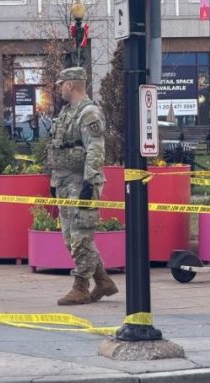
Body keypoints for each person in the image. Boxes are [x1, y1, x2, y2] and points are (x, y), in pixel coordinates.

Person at [44, 67, 118, 305]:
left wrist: (89, 182)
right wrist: (54, 182)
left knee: (80, 236)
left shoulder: (89, 113)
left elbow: (95, 149)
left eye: (61, 84)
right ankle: (103, 281)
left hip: (81, 182)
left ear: (70, 85)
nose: (59, 89)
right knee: (70, 237)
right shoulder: (68, 112)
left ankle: (81, 287)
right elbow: (58, 147)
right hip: (65, 182)